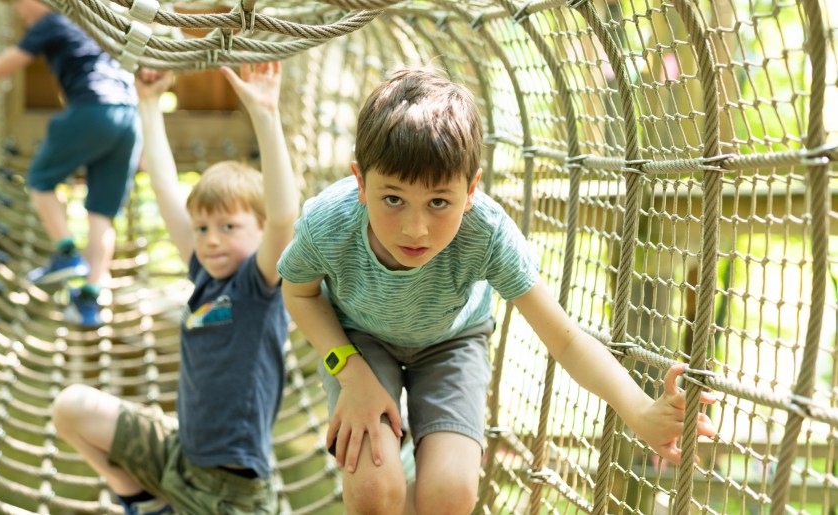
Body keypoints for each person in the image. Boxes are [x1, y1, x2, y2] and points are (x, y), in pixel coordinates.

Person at [277, 66, 718, 514]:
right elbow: (299, 293)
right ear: (360, 183)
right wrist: (351, 375)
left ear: (471, 191)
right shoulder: (330, 223)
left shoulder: (485, 233)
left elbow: (564, 339)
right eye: (392, 198)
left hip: (450, 343)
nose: (415, 228)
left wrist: (640, 411)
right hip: (359, 340)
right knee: (373, 492)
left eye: (438, 202)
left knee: (449, 496)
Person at [50, 61, 297, 515]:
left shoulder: (257, 285)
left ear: (261, 233)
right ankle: (142, 500)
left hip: (228, 493)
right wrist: (148, 103)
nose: (211, 238)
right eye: (202, 228)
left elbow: (284, 217)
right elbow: (165, 189)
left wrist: (265, 113)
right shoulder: (205, 273)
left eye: (228, 225)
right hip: (178, 454)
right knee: (71, 407)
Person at [0, 0, 141, 326]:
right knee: (101, 214)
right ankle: (89, 299)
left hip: (93, 108)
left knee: (39, 180)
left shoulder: (51, 21)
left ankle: (66, 253)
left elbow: (0, 66)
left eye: (20, 3)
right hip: (129, 117)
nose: (18, 11)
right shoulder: (93, 27)